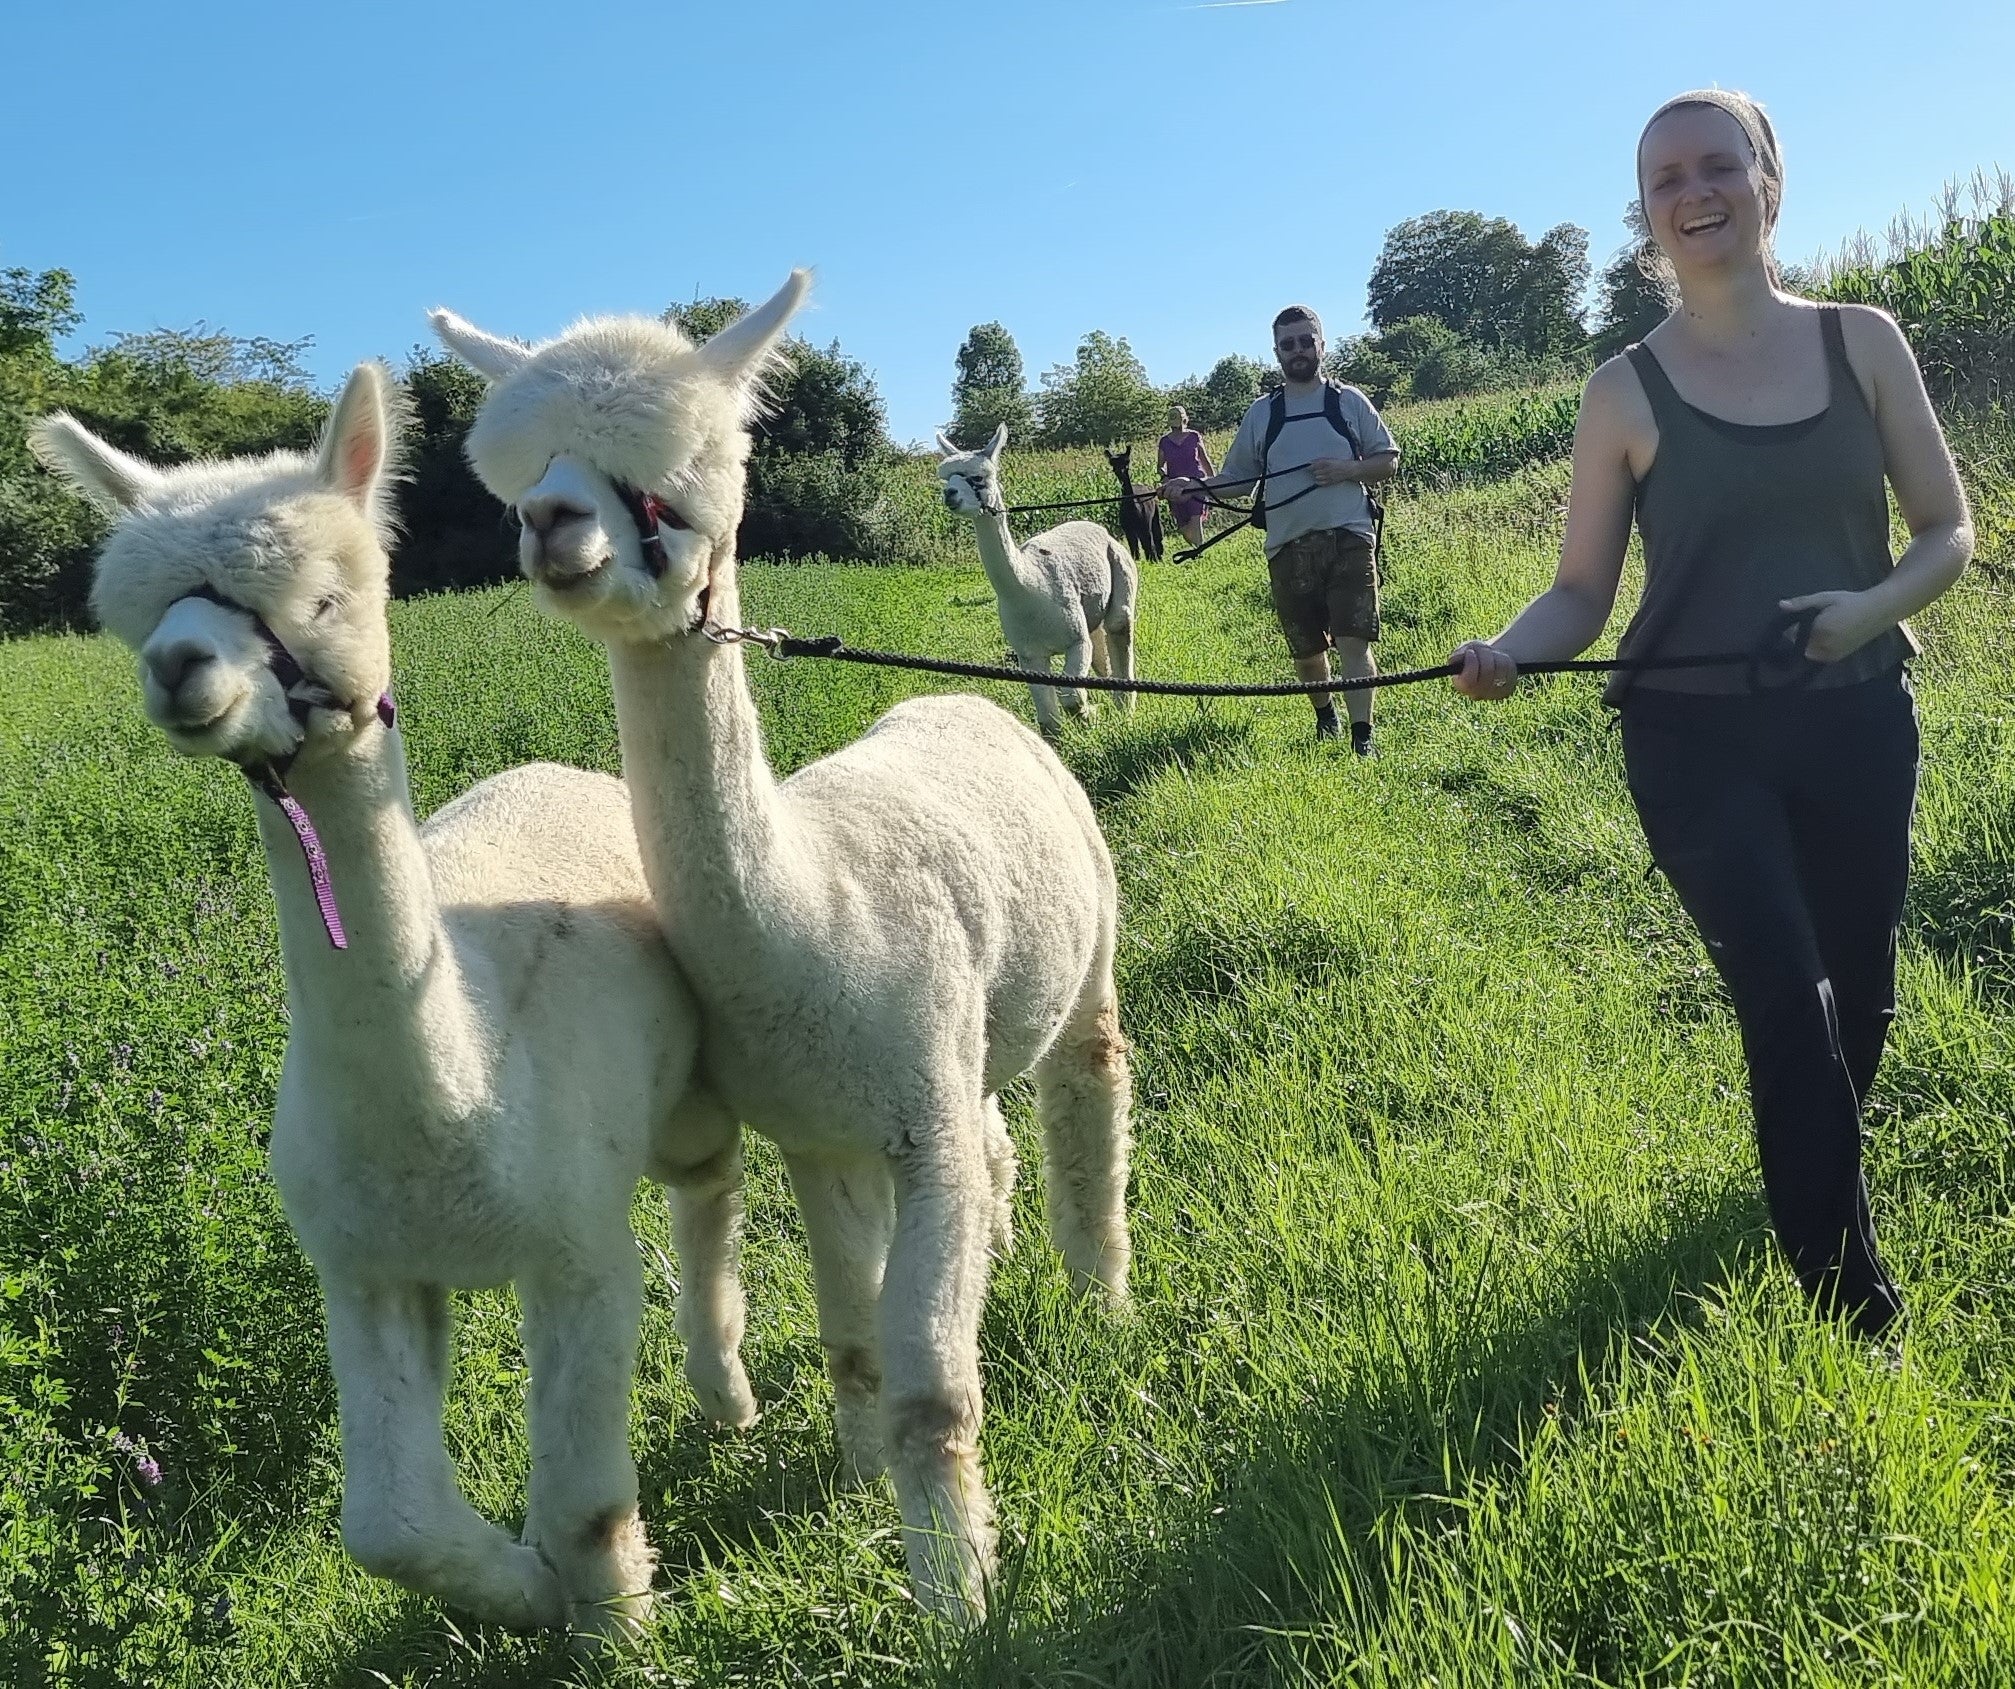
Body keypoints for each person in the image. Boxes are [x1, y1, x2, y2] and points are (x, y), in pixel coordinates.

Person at [1450, 89, 1974, 1339]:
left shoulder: (1863, 342)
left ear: (1764, 179)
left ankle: (1808, 1176)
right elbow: (1581, 591)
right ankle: (1848, 1302)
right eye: (1665, 178)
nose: (1693, 193)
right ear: (1645, 214)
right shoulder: (1620, 392)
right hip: (1690, 738)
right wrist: (1507, 652)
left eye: (1714, 167)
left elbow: (1946, 531)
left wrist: (1864, 611)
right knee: (1785, 996)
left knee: (1860, 985)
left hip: (1854, 719)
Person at [1166, 306, 1399, 751]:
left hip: (1350, 536)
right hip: (1287, 546)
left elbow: (1387, 460)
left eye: (1306, 341)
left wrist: (1348, 469)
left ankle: (1362, 738)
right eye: (1288, 344)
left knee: (1353, 639)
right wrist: (1190, 486)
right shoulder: (1263, 413)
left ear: (1321, 346)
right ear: (1277, 352)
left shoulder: (1348, 402)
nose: (1298, 351)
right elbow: (1237, 481)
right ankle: (1325, 714)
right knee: (1307, 653)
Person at [1157, 403, 1214, 549]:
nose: (1176, 428)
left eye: (1179, 424)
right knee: (1183, 526)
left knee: (1196, 520)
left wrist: (1213, 482)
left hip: (1195, 483)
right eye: (1173, 425)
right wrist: (1164, 476)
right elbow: (1160, 466)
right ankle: (1197, 548)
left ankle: (1200, 552)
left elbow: (1204, 460)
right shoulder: (1165, 441)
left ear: (1184, 421)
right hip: (1175, 488)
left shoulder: (1194, 437)